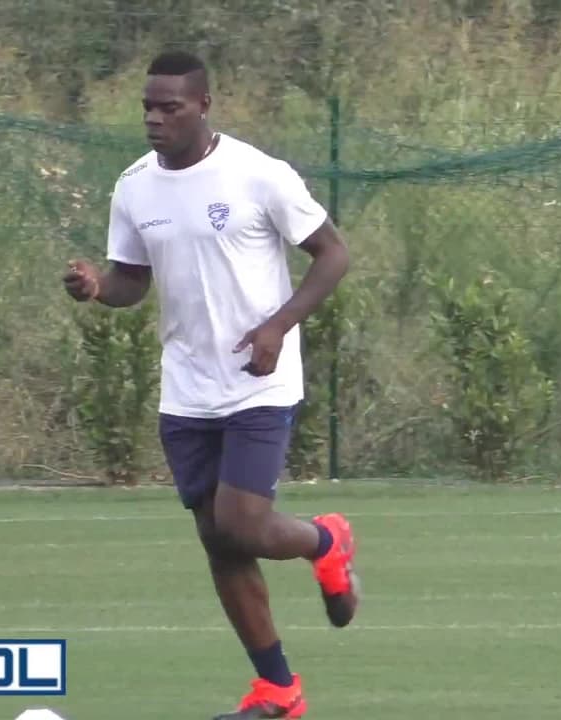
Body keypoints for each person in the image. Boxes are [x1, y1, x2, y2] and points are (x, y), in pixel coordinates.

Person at [63, 49, 358, 719]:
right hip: (186, 390)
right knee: (219, 541)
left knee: (243, 525)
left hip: (259, 382)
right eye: (148, 107)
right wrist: (98, 287)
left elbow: (333, 254)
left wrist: (278, 326)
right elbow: (132, 281)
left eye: (169, 107)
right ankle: (277, 689)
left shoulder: (259, 175)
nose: (154, 119)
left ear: (203, 106)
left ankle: (327, 541)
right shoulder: (133, 187)